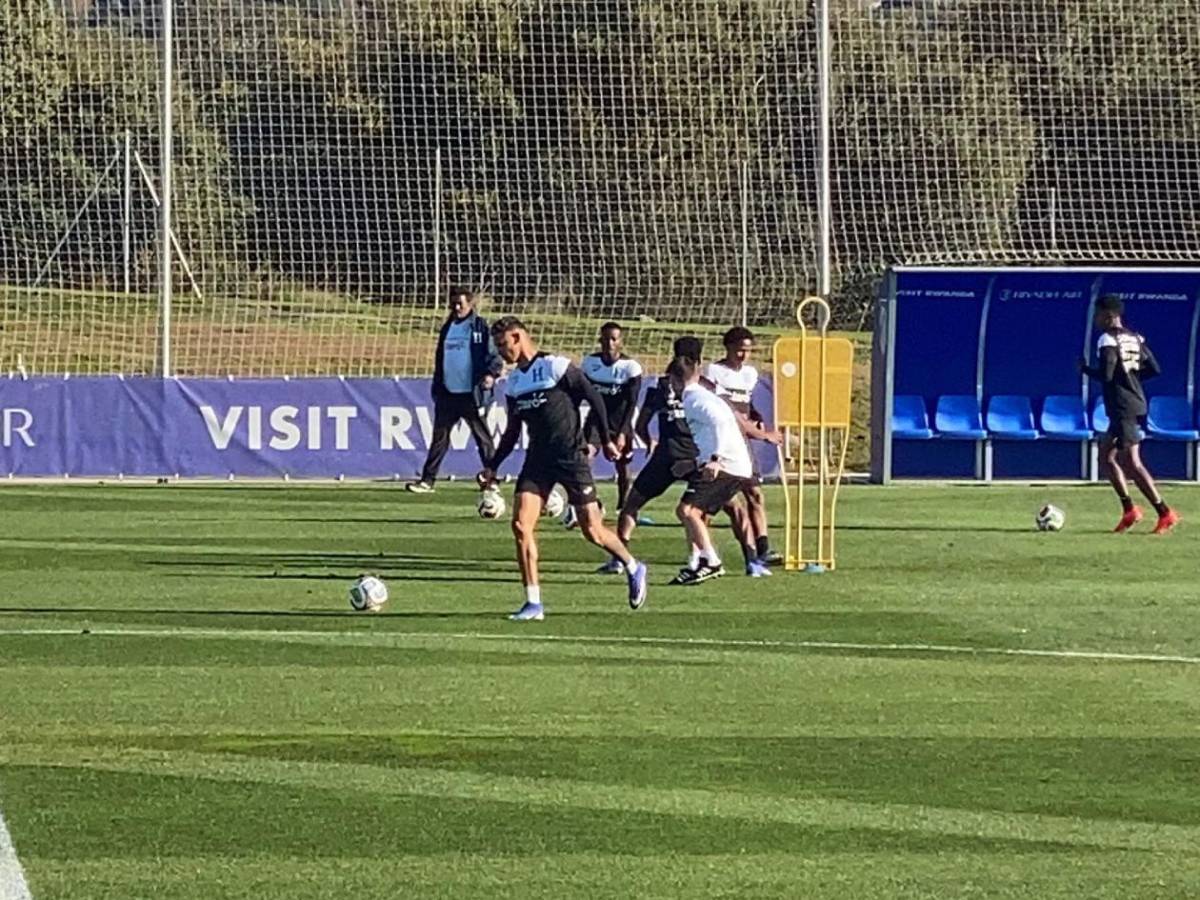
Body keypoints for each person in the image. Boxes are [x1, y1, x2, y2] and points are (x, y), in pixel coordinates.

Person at [478, 316, 649, 620]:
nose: (502, 353)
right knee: (520, 525)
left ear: (518, 337)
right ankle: (533, 603)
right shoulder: (515, 382)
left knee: (593, 531)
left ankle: (633, 566)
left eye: (504, 345)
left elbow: (592, 396)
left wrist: (607, 439)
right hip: (538, 460)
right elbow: (512, 431)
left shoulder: (556, 366)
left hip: (571, 455)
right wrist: (492, 465)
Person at [1079, 295, 1179, 534]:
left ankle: (1165, 512)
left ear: (1109, 315)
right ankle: (1129, 510)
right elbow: (1154, 369)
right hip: (1131, 403)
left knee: (1131, 463)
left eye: (1098, 315)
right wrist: (1131, 380)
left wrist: (1085, 370)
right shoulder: (1136, 337)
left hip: (1123, 406)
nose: (1096, 320)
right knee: (1105, 457)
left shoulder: (1107, 340)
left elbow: (1107, 374)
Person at [667, 355, 766, 584]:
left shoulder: (694, 398)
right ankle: (697, 562)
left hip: (727, 465)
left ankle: (711, 562)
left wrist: (715, 458)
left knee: (688, 511)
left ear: (673, 380)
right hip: (733, 463)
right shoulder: (701, 395)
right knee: (692, 512)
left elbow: (720, 423)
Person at [407, 287, 503, 493]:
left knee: (482, 438)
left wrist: (490, 374)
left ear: (470, 304)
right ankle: (427, 480)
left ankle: (492, 478)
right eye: (453, 303)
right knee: (439, 438)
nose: (457, 307)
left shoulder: (479, 327)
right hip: (448, 393)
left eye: (461, 303)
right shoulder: (448, 327)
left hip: (471, 394)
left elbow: (492, 354)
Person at [703, 326, 783, 564]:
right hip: (721, 442)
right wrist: (760, 433)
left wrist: (756, 415)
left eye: (747, 351)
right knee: (713, 504)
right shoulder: (714, 371)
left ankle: (763, 549)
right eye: (739, 350)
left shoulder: (750, 374)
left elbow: (745, 403)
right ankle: (701, 551)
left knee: (755, 495)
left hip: (743, 444)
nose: (743, 356)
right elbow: (722, 405)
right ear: (728, 348)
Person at [581, 322, 644, 510]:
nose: (609, 343)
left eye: (614, 339)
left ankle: (623, 505)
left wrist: (624, 432)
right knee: (586, 457)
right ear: (600, 340)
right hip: (595, 421)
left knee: (623, 465)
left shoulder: (630, 367)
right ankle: (588, 501)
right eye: (606, 338)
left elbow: (632, 403)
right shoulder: (590, 363)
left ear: (620, 342)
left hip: (620, 422)